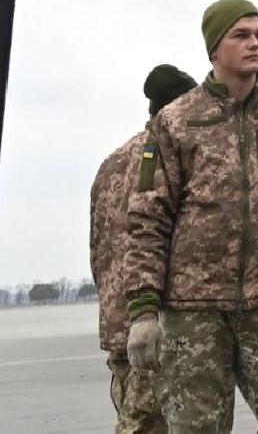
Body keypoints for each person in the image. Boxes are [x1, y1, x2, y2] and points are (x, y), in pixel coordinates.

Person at [120, 0, 258, 433]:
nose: (254, 43)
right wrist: (143, 311)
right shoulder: (176, 121)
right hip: (192, 312)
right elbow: (148, 219)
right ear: (214, 48)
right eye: (241, 35)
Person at [91, 64, 198, 434]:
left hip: (119, 320)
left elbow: (97, 248)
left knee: (131, 415)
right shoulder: (174, 160)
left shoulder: (113, 162)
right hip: (156, 321)